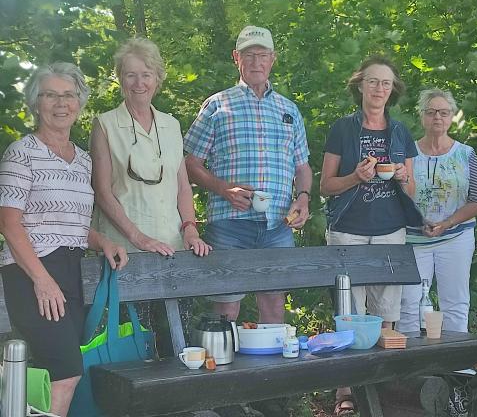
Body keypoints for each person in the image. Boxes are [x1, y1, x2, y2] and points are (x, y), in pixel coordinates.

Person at [0, 62, 128, 417]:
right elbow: (10, 224)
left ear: (79, 102)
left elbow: (69, 222)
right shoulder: (21, 152)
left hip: (70, 271)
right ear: (36, 103)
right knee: (67, 370)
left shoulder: (82, 160)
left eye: (68, 95)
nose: (61, 103)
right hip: (32, 273)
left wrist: (102, 241)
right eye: (50, 95)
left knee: (50, 371)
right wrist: (42, 280)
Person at [184, 25, 312, 323]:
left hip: (279, 224)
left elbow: (303, 166)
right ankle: (223, 366)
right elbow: (190, 163)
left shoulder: (289, 109)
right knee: (226, 308)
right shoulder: (217, 105)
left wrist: (303, 198)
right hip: (230, 224)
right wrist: (223, 189)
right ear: (236, 58)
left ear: (273, 59)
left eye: (262, 55)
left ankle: (274, 371)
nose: (256, 62)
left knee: (274, 303)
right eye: (249, 55)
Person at [319, 55, 419, 416]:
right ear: (360, 85)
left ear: (393, 91)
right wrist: (355, 178)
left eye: (386, 83)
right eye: (373, 81)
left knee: (386, 313)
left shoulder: (400, 132)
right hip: (348, 231)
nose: (379, 89)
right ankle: (345, 390)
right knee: (349, 313)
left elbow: (411, 191)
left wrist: (404, 178)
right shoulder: (343, 129)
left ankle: (381, 387)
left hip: (390, 230)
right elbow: (326, 186)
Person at [90, 37, 211, 257]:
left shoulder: (172, 126)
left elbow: (183, 187)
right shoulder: (105, 125)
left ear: (157, 79)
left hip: (172, 245)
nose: (139, 83)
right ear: (120, 79)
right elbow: (102, 193)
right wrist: (139, 238)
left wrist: (190, 229)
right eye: (130, 75)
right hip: (123, 248)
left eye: (146, 75)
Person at [398, 89, 477, 334]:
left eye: (444, 112)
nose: (437, 117)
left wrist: (447, 222)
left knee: (455, 302)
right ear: (421, 116)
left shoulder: (466, 154)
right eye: (431, 112)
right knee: (409, 304)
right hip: (413, 239)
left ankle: (457, 366)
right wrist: (417, 220)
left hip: (456, 237)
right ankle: (413, 364)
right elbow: (397, 198)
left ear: (452, 117)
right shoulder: (407, 153)